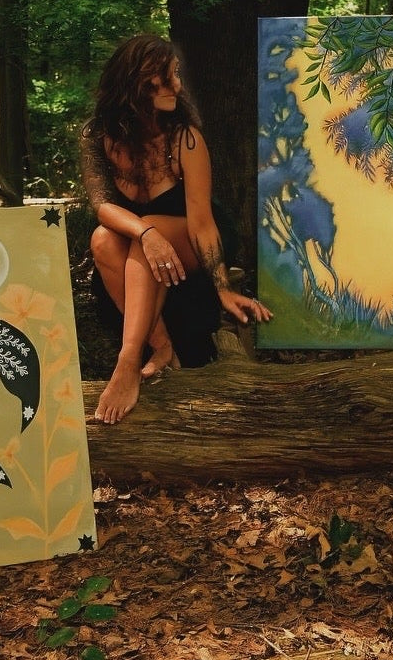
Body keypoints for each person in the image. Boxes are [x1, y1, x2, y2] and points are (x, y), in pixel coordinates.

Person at [80, 34, 271, 424]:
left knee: (148, 226)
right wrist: (146, 235)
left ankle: (127, 364)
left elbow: (202, 221)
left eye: (176, 75)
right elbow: (103, 207)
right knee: (104, 239)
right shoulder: (97, 135)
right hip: (144, 240)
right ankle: (162, 346)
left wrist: (222, 286)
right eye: (165, 78)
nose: (177, 86)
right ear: (136, 82)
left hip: (193, 235)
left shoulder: (185, 138)